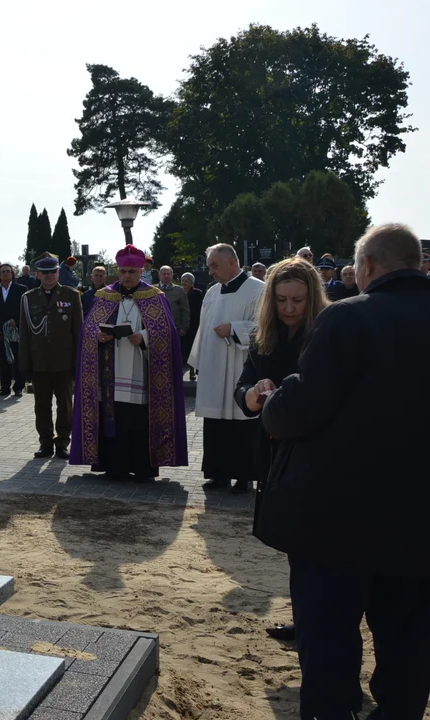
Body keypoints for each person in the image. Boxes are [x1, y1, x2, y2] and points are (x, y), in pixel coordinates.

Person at [256, 224, 430, 719]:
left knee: (329, 635)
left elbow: (301, 408)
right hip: (420, 520)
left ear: (368, 267)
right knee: (410, 638)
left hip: (337, 521)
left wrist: (275, 401)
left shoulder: (349, 319)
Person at [232, 257, 328, 643]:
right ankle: (304, 616)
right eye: (283, 300)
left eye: (298, 300)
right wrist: (253, 395)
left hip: (317, 456)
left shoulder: (326, 333)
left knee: (317, 547)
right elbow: (242, 390)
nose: (290, 308)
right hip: (274, 454)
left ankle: (317, 620)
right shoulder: (263, 337)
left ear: (313, 298)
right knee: (294, 543)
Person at [70, 245, 188, 480]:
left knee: (136, 420)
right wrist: (98, 336)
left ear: (141, 271)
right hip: (108, 373)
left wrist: (143, 337)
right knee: (111, 417)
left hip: (140, 372)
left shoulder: (155, 297)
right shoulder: (104, 296)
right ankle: (114, 467)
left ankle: (143, 467)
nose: (126, 276)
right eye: (123, 271)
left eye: (131, 272)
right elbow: (89, 329)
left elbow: (166, 333)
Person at [188, 244, 266, 494]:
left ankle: (244, 477)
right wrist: (199, 361)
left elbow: (264, 327)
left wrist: (234, 329)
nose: (210, 271)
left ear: (232, 263)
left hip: (240, 366)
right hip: (214, 365)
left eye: (214, 265)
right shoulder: (211, 293)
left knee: (242, 422)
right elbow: (203, 327)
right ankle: (218, 474)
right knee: (215, 422)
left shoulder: (258, 289)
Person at [19, 256, 82, 458]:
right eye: (44, 272)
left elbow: (78, 331)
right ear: (38, 274)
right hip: (39, 362)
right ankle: (45, 442)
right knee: (42, 406)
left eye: (53, 272)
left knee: (65, 406)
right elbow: (24, 334)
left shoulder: (71, 295)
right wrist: (25, 364)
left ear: (58, 273)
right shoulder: (28, 298)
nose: (49, 275)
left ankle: (62, 442)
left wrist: (77, 363)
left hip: (63, 362)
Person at [0, 263, 26, 397]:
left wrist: (16, 320)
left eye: (8, 271)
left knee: (18, 359)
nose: (5, 273)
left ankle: (19, 387)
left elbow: (25, 309)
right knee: (4, 360)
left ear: (12, 274)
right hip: (1, 332)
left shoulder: (21, 289)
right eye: (2, 272)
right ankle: (4, 388)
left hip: (17, 331)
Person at [158, 265, 190, 341]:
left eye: (168, 274)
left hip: (175, 328)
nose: (166, 276)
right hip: (157, 329)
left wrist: (184, 327)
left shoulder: (179, 290)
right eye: (164, 274)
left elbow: (185, 310)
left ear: (172, 275)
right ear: (159, 275)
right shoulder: (153, 289)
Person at [181, 272, 204, 379]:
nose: (184, 283)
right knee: (182, 348)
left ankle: (191, 371)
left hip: (194, 324)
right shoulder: (179, 292)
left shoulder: (198, 293)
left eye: (187, 281)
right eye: (183, 281)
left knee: (192, 348)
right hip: (182, 323)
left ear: (191, 283)